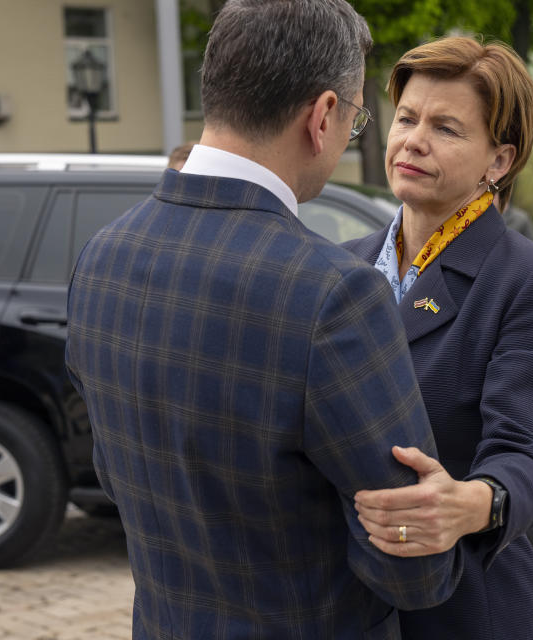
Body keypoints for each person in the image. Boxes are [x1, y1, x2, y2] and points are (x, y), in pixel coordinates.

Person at [65, 2, 464, 638]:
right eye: (358, 119)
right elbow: (411, 563)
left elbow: (117, 476)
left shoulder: (103, 256)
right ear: (324, 115)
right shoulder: (334, 293)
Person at [343, 36, 533, 639]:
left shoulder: (532, 279)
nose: (413, 140)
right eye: (406, 118)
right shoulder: (340, 267)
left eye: (446, 128)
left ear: (498, 162)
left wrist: (477, 501)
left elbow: (526, 451)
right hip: (343, 604)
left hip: (462, 604)